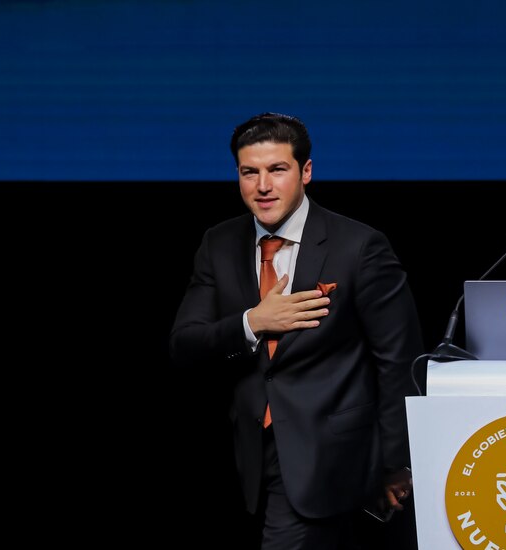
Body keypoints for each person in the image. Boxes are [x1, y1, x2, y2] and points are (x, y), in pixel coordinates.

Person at [170, 113, 424, 549]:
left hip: (332, 455)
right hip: (246, 455)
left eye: (277, 170)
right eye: (250, 172)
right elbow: (184, 344)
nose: (262, 186)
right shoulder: (218, 243)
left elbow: (398, 361)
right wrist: (254, 322)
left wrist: (398, 461)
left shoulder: (359, 246)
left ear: (306, 171)